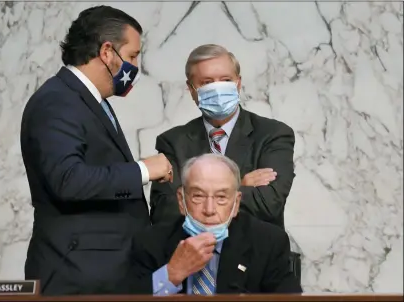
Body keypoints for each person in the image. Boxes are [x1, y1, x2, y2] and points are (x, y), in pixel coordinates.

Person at [20, 6, 173, 295]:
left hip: (108, 274)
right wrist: (143, 169)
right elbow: (68, 179)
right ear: (106, 52)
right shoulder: (58, 100)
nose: (135, 67)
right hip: (78, 277)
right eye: (132, 56)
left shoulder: (89, 101)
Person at [150, 44, 296, 229]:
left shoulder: (273, 134)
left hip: (254, 253)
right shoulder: (173, 142)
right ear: (191, 88)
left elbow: (269, 204)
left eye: (225, 80)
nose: (218, 89)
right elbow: (163, 211)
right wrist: (237, 186)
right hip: (192, 253)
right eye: (207, 82)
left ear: (238, 83)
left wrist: (196, 196)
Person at [129, 154, 302, 295]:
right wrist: (172, 273)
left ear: (236, 203)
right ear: (181, 201)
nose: (209, 210)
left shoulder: (268, 241)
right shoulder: (150, 242)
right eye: (198, 196)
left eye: (221, 197)